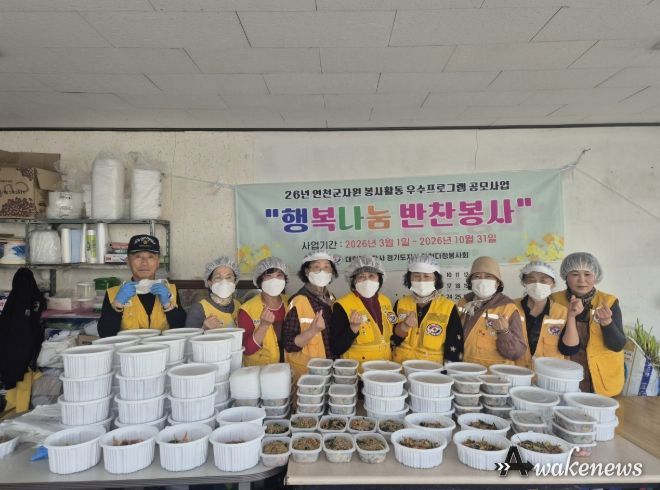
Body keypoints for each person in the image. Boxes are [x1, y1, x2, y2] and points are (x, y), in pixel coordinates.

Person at [553, 252, 626, 396]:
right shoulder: (555, 301)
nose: (582, 280)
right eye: (575, 274)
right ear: (566, 276)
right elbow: (563, 347)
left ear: (596, 276)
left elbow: (618, 345)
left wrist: (607, 323)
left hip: (602, 380)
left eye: (587, 274)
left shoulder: (608, 301)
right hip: (566, 376)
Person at [98, 235, 185, 336]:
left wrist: (168, 306)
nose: (144, 263)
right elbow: (104, 334)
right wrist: (117, 305)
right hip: (129, 346)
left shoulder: (170, 290)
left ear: (158, 262)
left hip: (163, 346)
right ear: (128, 261)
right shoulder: (113, 293)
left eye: (150, 257)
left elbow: (181, 327)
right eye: (138, 257)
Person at [391, 254, 463, 364]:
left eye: (426, 276)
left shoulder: (448, 307)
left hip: (432, 370)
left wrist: (450, 370)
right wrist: (404, 326)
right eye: (416, 276)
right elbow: (392, 340)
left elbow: (454, 346)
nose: (421, 281)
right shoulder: (401, 303)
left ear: (435, 279)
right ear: (409, 278)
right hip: (402, 367)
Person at [458, 256, 527, 367]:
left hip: (494, 373)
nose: (482, 281)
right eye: (477, 276)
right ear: (471, 281)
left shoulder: (508, 308)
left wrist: (504, 333)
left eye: (488, 276)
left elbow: (516, 353)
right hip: (465, 369)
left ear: (498, 283)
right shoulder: (463, 303)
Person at [330, 256, 396, 368]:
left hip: (385, 368)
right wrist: (353, 329)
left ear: (379, 279)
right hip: (357, 371)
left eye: (371, 276)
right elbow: (336, 348)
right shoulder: (342, 305)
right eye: (361, 277)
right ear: (353, 280)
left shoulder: (386, 301)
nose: (367, 281)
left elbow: (391, 337)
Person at [283, 251, 338, 380]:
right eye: (316, 267)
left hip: (330, 366)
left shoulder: (331, 298)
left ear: (331, 272)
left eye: (326, 267)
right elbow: (289, 344)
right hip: (308, 372)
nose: (322, 271)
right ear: (307, 271)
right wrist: (312, 331)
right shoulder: (298, 301)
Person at [514, 261, 568, 369]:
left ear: (553, 284)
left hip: (549, 373)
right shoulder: (511, 307)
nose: (537, 284)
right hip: (516, 372)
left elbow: (568, 349)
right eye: (531, 280)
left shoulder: (562, 312)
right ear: (524, 283)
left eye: (543, 280)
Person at [238, 256, 289, 366]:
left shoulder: (290, 302)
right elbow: (247, 349)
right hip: (260, 369)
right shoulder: (247, 309)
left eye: (279, 275)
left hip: (287, 366)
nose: (274, 281)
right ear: (260, 280)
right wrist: (263, 326)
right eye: (268, 276)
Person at [186, 256, 241, 330]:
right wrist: (204, 328)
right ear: (210, 283)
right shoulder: (199, 308)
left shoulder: (238, 305)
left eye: (228, 277)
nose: (224, 282)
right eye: (218, 277)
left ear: (235, 282)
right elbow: (188, 336)